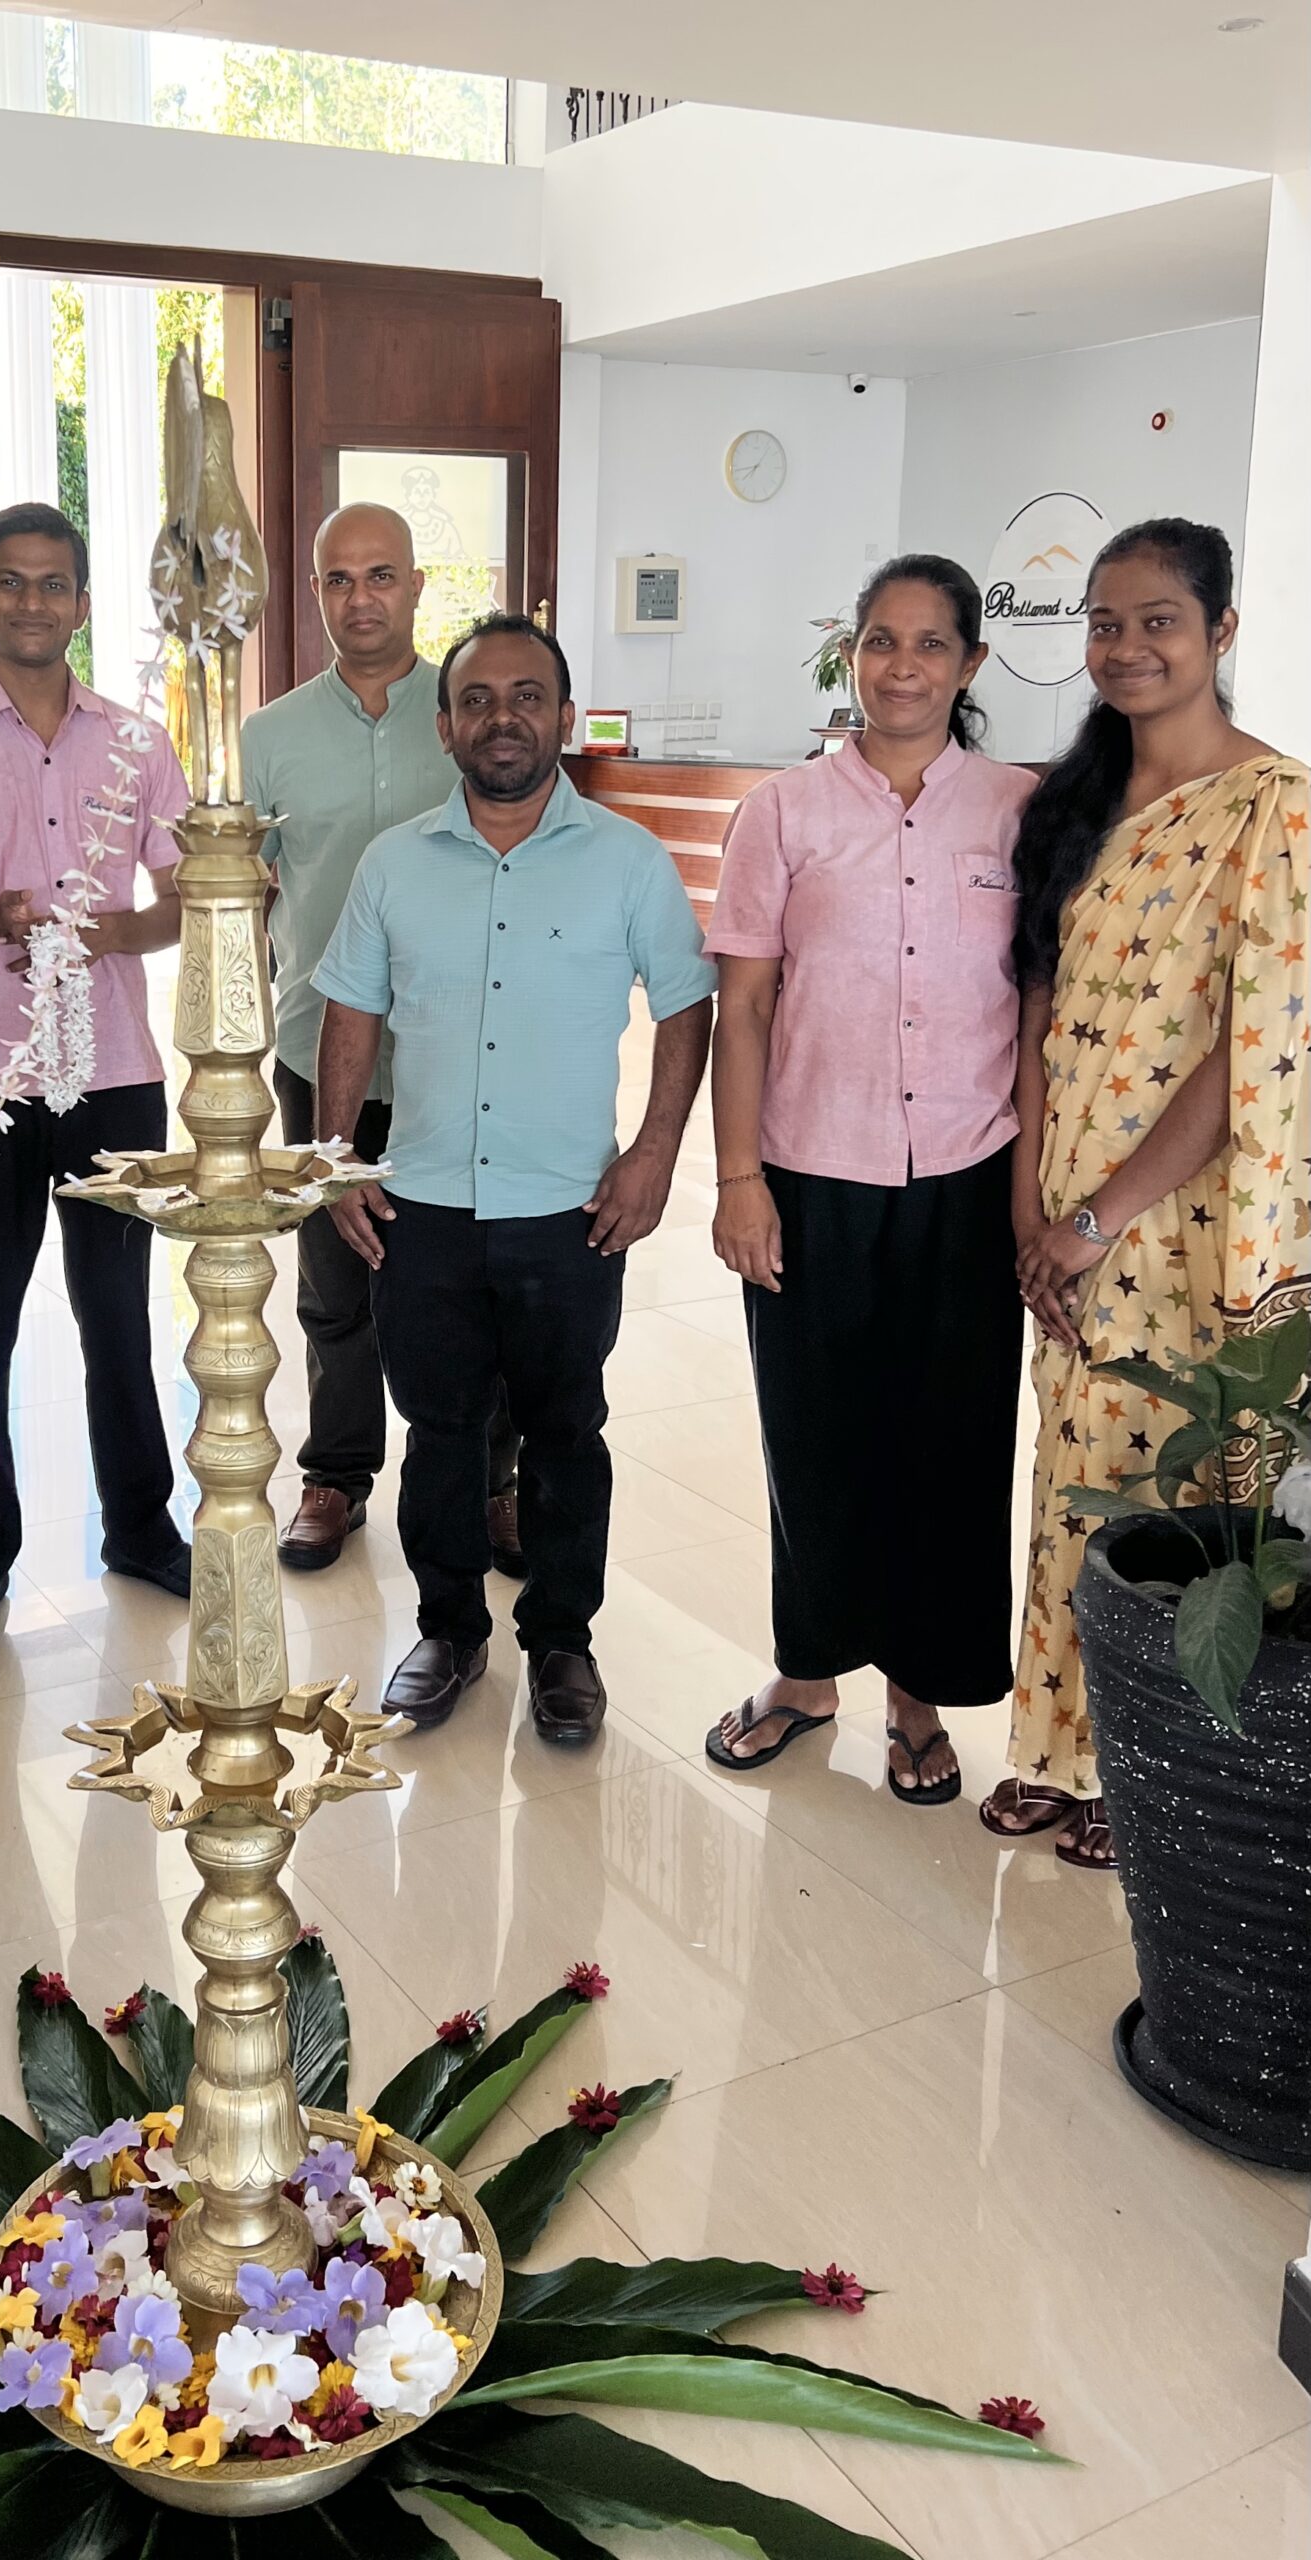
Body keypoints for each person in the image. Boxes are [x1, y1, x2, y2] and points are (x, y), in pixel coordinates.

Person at [314, 614, 714, 1743]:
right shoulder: (393, 862)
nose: (503, 718)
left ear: (564, 717)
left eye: (526, 696)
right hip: (423, 1208)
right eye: (477, 699)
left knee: (564, 1435)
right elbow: (350, 1013)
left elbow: (687, 1005)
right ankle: (447, 1631)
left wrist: (653, 1154)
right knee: (438, 1434)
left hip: (568, 1212)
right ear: (444, 726)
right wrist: (334, 1158)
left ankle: (561, 1642)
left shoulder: (627, 860)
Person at [985, 518, 1309, 1871]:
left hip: (1177, 1218)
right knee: (1068, 1470)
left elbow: (1252, 1046)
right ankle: (1054, 1744)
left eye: (1156, 620)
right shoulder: (1071, 802)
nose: (1123, 648)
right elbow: (1035, 1008)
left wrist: (1092, 1217)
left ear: (1218, 631)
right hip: (1061, 1204)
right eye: (1103, 624)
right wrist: (1028, 1203)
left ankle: (1145, 1759)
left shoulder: (1272, 807)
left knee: (1158, 1482)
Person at [702, 557, 1036, 1802]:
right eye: (879, 641)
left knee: (948, 1441)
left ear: (969, 662)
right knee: (813, 1430)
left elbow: (1039, 1008)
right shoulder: (781, 812)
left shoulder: (1017, 809)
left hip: (965, 1173)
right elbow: (743, 1008)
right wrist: (737, 1177)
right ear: (849, 655)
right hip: (809, 1169)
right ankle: (805, 1673)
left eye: (929, 643)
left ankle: (916, 1695)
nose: (901, 666)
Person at [0, 502, 193, 1660]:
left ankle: (141, 1529)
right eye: (9, 582)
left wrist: (108, 933)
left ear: (82, 604)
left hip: (113, 1074)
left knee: (118, 1318)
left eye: (52, 583)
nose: (31, 602)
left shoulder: (136, 742)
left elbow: (181, 900)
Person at [243, 502, 519, 1574]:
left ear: (414, 585)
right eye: (337, 579)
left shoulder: (470, 718)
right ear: (314, 593)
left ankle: (492, 1483)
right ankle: (336, 1474)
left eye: (380, 575)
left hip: (463, 1053)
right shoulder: (269, 736)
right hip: (320, 1050)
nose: (359, 598)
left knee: (476, 1281)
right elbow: (247, 895)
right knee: (333, 1283)